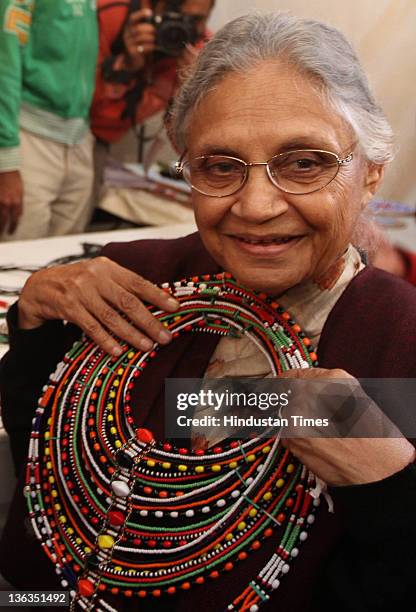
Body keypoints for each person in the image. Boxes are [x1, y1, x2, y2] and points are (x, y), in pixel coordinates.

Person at [1, 12, 416, 612]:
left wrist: (396, 490)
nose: (255, 205)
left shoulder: (399, 338)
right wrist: (37, 326)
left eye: (304, 163)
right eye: (220, 167)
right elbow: (46, 477)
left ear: (371, 172)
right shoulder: (131, 280)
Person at [0, 0, 98, 241]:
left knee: (67, 262)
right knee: (17, 262)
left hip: (79, 141)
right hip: (29, 140)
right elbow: (5, 69)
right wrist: (6, 163)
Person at [91, 0, 214, 145]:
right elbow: (73, 101)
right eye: (173, 16)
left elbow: (186, 148)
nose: (178, 29)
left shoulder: (203, 51)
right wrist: (124, 65)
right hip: (75, 131)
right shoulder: (113, 14)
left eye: (195, 20)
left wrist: (191, 95)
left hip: (109, 141)